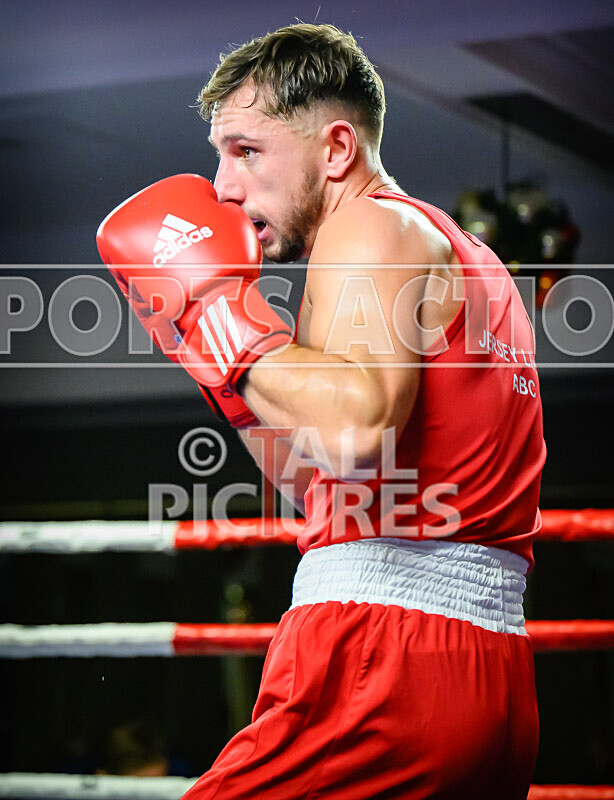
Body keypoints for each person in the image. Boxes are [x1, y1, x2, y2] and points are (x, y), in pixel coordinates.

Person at [97, 23, 547, 799]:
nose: (224, 186)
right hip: (487, 671)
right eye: (219, 155)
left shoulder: (367, 227)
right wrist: (217, 365)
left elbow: (355, 432)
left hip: (380, 661)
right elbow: (317, 478)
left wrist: (217, 316)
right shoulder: (471, 259)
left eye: (246, 150)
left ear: (337, 148)